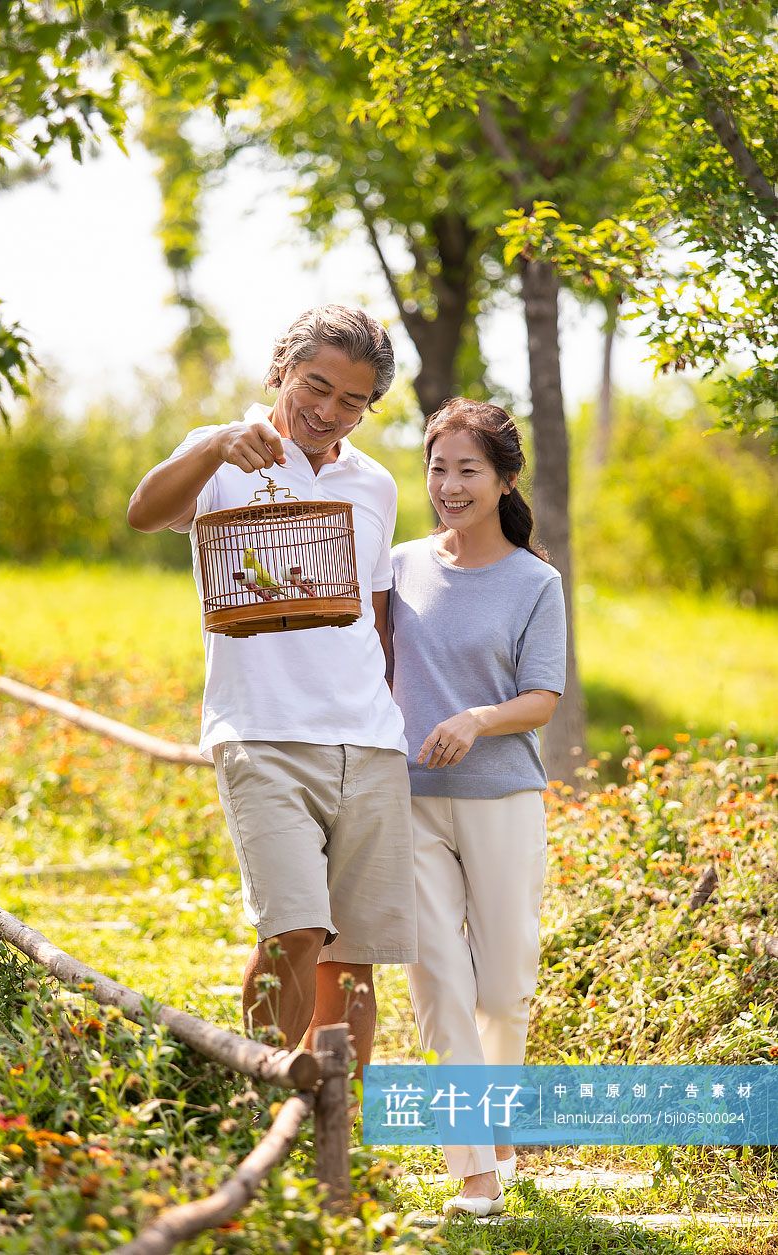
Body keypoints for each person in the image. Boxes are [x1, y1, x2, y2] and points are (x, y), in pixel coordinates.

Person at [127, 305, 417, 1074]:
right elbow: (144, 512)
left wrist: (391, 717)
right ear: (280, 372)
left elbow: (378, 618)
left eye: (351, 400)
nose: (327, 412)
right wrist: (218, 445)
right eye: (315, 386)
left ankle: (333, 1143)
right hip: (262, 732)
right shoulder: (220, 451)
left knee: (350, 960)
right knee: (292, 932)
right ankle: (251, 1098)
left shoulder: (375, 484)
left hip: (368, 740)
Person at [387, 398, 566, 1217]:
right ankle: (476, 1172)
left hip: (502, 798)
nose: (448, 485)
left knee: (503, 987)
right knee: (439, 985)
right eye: (437, 467)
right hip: (410, 800)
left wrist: (476, 717)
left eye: (467, 469)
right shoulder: (398, 566)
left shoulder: (535, 581)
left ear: (502, 480)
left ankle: (495, 1133)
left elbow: (541, 697)